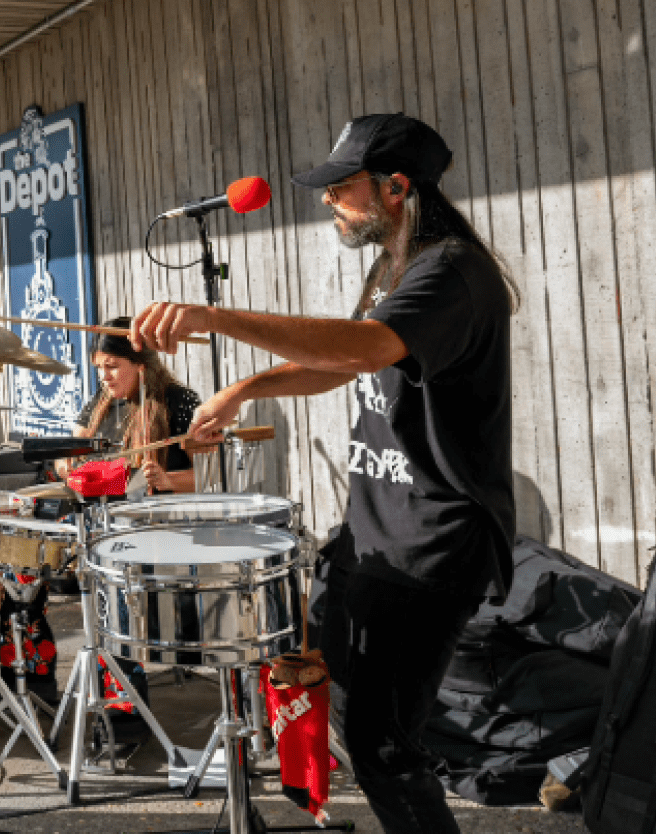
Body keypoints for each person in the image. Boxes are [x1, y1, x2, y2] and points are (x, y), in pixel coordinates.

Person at [131, 113, 518, 834]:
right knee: (340, 704)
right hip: (376, 533)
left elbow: (365, 348)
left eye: (342, 187)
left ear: (396, 187)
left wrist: (215, 317)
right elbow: (342, 361)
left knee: (383, 751)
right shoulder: (395, 264)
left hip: (434, 544)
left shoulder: (452, 271)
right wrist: (244, 390)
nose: (327, 199)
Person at [55, 316, 199, 496]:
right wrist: (65, 465)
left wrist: (169, 480)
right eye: (98, 367)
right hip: (106, 509)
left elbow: (213, 472)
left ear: (140, 364)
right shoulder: (100, 400)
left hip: (161, 511)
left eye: (112, 366)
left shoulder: (180, 401)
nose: (104, 376)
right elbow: (69, 452)